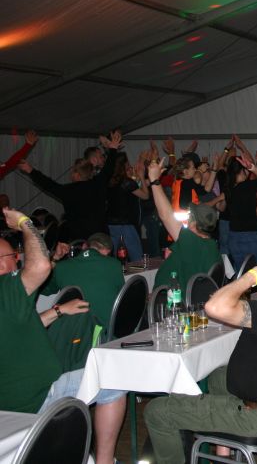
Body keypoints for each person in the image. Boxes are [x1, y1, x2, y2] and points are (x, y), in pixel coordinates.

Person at [144, 224, 257, 464]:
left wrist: (252, 277)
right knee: (217, 376)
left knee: (157, 412)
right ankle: (223, 454)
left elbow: (213, 307)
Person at [0, 208, 126, 464]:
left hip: (19, 397)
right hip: (36, 398)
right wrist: (24, 223)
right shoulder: (6, 287)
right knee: (114, 377)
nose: (18, 259)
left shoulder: (8, 298)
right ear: (2, 262)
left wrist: (57, 310)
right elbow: (40, 266)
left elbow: (19, 326)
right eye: (14, 255)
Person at [20, 131, 122, 241]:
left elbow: (49, 185)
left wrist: (31, 170)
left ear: (77, 174)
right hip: (101, 237)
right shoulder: (98, 183)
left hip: (80, 240)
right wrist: (113, 149)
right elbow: (108, 169)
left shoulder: (68, 191)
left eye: (72, 171)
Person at [149, 159, 221, 290]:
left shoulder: (190, 241)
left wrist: (154, 180)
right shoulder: (212, 246)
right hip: (195, 294)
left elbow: (165, 215)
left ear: (193, 223)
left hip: (172, 298)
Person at [39, 232, 125, 331]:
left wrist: (55, 258)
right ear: (107, 252)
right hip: (110, 332)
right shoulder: (114, 264)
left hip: (77, 334)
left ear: (84, 246)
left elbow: (43, 289)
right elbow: (122, 299)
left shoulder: (61, 267)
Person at [222, 158, 257, 271]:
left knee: (239, 271)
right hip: (250, 235)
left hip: (234, 235)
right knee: (255, 272)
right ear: (243, 170)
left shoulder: (228, 188)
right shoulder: (248, 186)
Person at [107, 152, 148, 262]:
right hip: (125, 224)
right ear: (124, 165)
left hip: (111, 223)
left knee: (115, 255)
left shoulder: (110, 181)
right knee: (136, 256)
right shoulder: (126, 182)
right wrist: (142, 176)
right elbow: (145, 195)